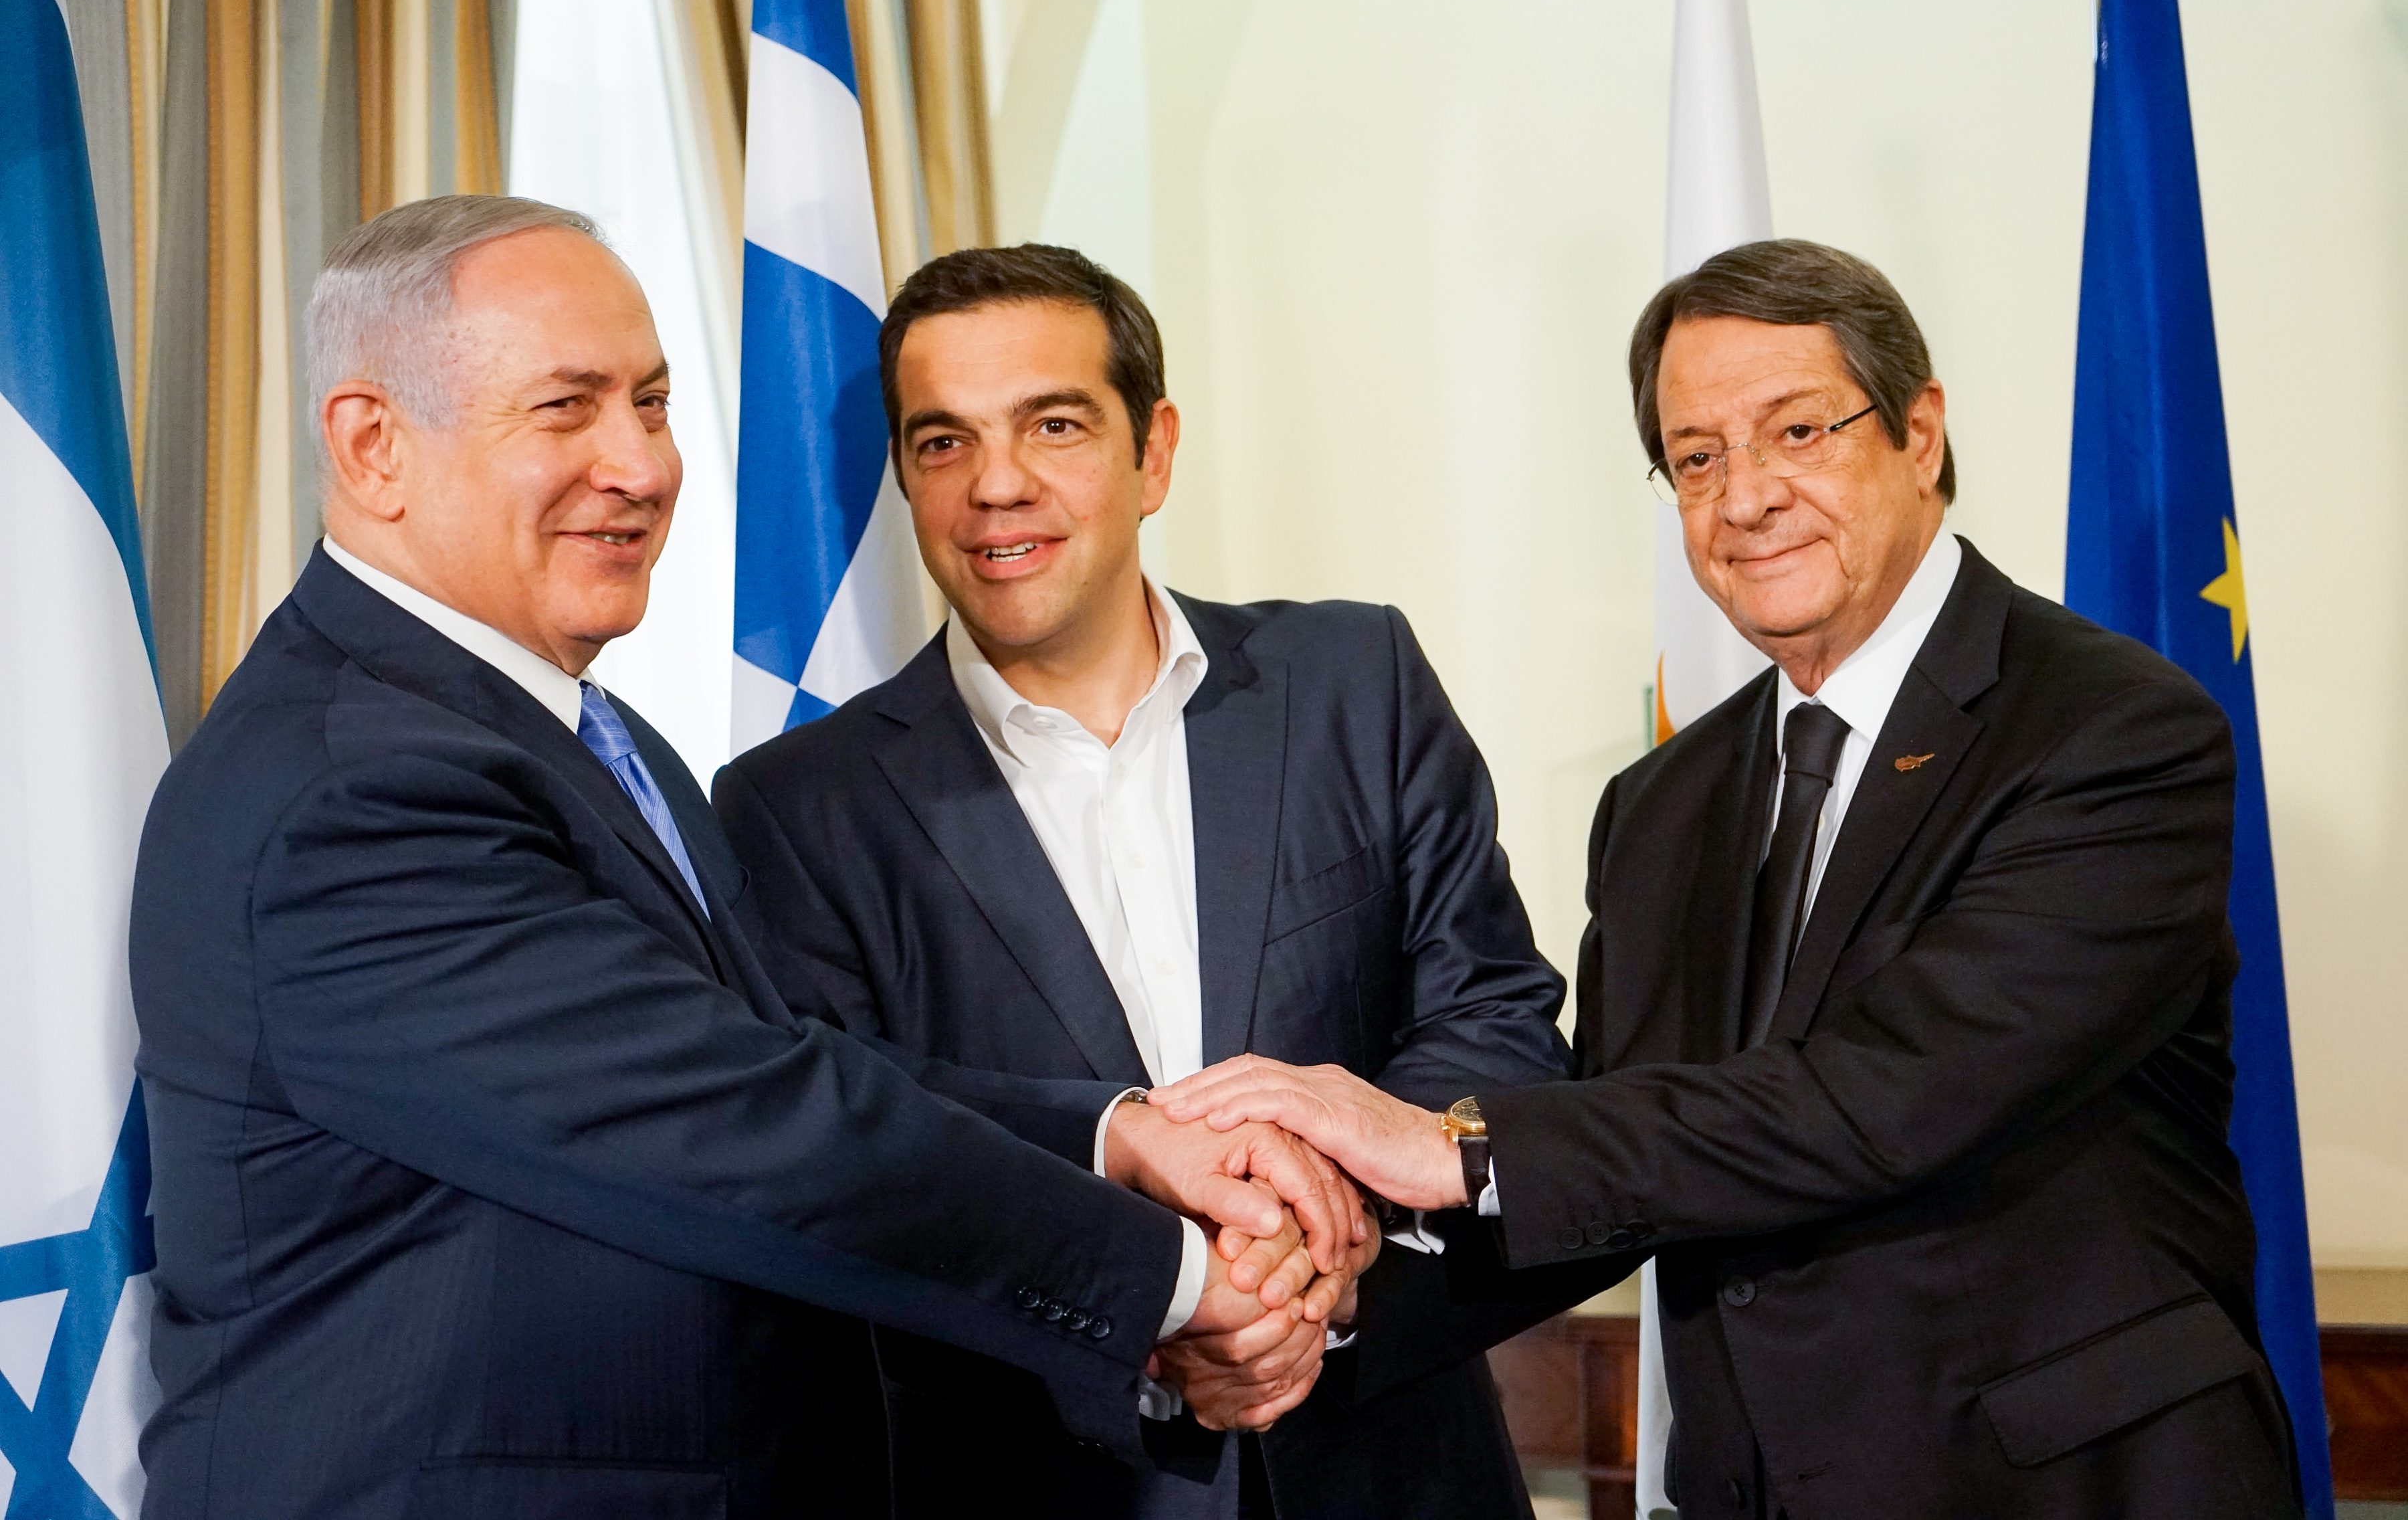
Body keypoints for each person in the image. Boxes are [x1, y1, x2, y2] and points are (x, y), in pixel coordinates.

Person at [128, 195, 1363, 1520]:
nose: (642, 465)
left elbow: (768, 1056)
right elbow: (744, 1125)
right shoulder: (354, 788)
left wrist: (1118, 1137)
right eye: (568, 409)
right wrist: (1175, 1283)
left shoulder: (589, 740)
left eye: (653, 404)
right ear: (375, 447)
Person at [1152, 239, 2301, 1520]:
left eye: (1798, 431)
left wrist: (1451, 1143)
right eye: (1697, 458)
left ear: (1920, 432)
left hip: (2075, 1489)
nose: (1745, 497)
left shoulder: (2114, 731)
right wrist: (1319, 1301)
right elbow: (1623, 1156)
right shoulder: (1663, 805)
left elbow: (1893, 1094)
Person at [714, 244, 1575, 1519]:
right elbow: (853, 1156)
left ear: (1153, 451)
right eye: (944, 442)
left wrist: (1322, 1251)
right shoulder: (794, 807)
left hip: (1397, 1469)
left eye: (1053, 425)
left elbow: (1496, 1017)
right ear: (902, 474)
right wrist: (1153, 1328)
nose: (997, 485)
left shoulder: (1356, 683)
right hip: (1053, 1483)